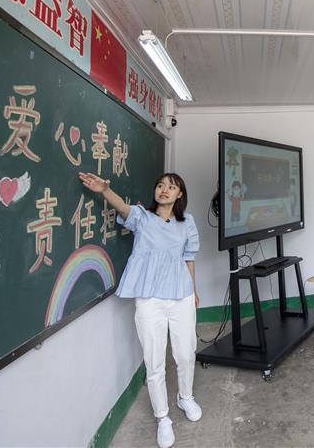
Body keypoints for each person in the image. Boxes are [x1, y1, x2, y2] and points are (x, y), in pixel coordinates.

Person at [79, 171, 202, 448]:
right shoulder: (142, 218)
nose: (164, 190)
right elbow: (123, 207)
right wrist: (104, 190)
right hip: (149, 298)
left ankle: (185, 397)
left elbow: (189, 257)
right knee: (154, 360)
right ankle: (162, 417)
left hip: (181, 295)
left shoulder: (187, 222)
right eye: (160, 185)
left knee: (185, 353)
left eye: (171, 187)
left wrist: (193, 290)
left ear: (180, 194)